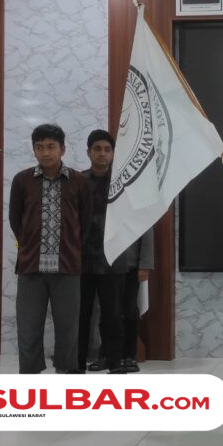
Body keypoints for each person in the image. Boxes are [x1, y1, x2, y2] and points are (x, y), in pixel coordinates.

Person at [9, 123, 91, 375]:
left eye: (51, 147)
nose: (45, 152)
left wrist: (73, 248)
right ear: (34, 150)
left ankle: (65, 372)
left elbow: (86, 222)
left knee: (68, 327)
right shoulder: (22, 180)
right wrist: (29, 245)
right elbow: (15, 219)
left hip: (67, 267)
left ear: (62, 149)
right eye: (40, 147)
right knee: (28, 327)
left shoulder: (79, 181)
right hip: (30, 267)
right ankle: (30, 373)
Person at [78, 129, 154, 374]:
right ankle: (94, 358)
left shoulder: (125, 183)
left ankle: (121, 358)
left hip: (122, 259)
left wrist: (145, 262)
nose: (102, 154)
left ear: (113, 153)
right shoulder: (79, 182)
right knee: (88, 313)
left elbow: (144, 221)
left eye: (107, 149)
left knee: (120, 312)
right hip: (85, 260)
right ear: (88, 152)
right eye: (97, 149)